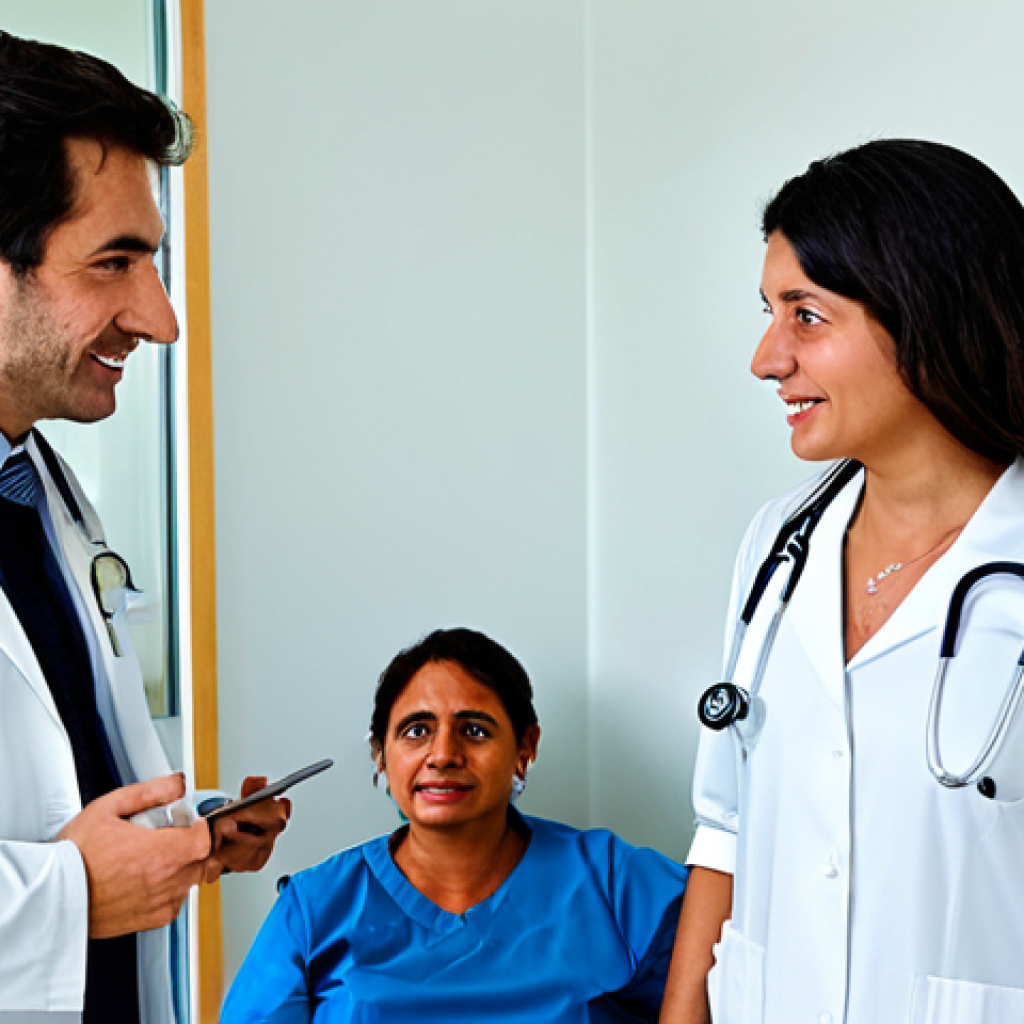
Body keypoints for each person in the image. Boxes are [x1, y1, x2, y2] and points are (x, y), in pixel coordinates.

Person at [658, 139, 1024, 1024]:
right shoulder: (777, 545)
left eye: (806, 316)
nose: (767, 357)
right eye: (768, 312)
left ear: (926, 309)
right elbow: (727, 829)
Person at [0, 31, 290, 1023]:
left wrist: (175, 833)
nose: (161, 319)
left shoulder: (38, 483)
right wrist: (69, 897)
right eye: (115, 262)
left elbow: (51, 783)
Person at [222, 627, 689, 1022]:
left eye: (476, 730)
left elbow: (727, 975)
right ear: (380, 755)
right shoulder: (316, 908)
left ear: (525, 747)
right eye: (416, 731)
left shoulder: (612, 883)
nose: (443, 755)